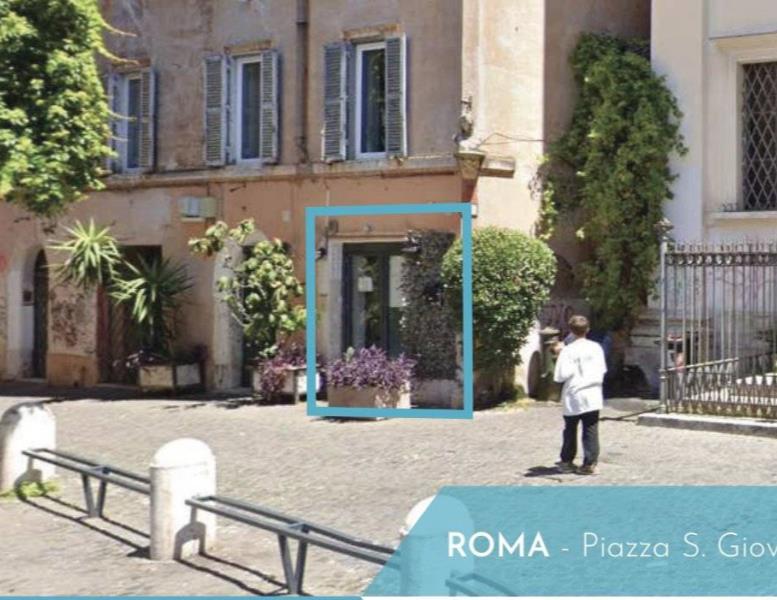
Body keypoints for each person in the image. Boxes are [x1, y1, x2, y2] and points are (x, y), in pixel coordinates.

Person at [552, 315, 607, 475]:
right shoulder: (596, 347)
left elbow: (560, 375)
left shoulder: (568, 350)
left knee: (570, 428)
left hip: (574, 393)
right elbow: (602, 369)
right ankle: (590, 463)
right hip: (592, 392)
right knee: (591, 428)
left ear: (571, 330)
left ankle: (567, 461)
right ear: (587, 329)